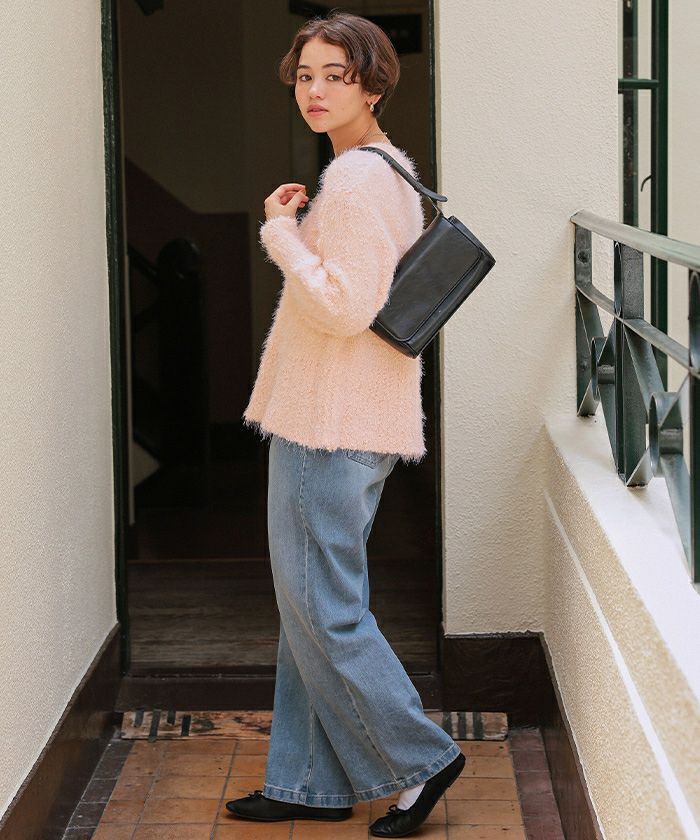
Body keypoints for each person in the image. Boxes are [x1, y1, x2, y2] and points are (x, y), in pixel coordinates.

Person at [225, 10, 466, 838]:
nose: (316, 91)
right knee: (310, 608)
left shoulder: (359, 181)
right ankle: (306, 782)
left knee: (323, 610)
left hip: (327, 426)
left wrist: (280, 234)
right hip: (352, 421)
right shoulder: (386, 171)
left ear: (374, 85)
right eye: (305, 76)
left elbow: (343, 307)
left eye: (337, 75)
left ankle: (421, 759)